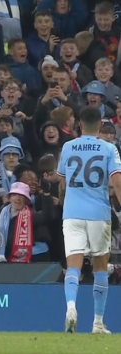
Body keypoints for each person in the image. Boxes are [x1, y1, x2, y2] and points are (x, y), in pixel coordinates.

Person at [58, 106, 121, 334]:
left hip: (72, 213)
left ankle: (71, 307)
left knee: (73, 265)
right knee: (100, 267)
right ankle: (97, 323)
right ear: (100, 127)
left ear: (80, 125)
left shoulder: (67, 147)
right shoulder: (109, 149)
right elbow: (116, 181)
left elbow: (63, 182)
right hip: (98, 214)